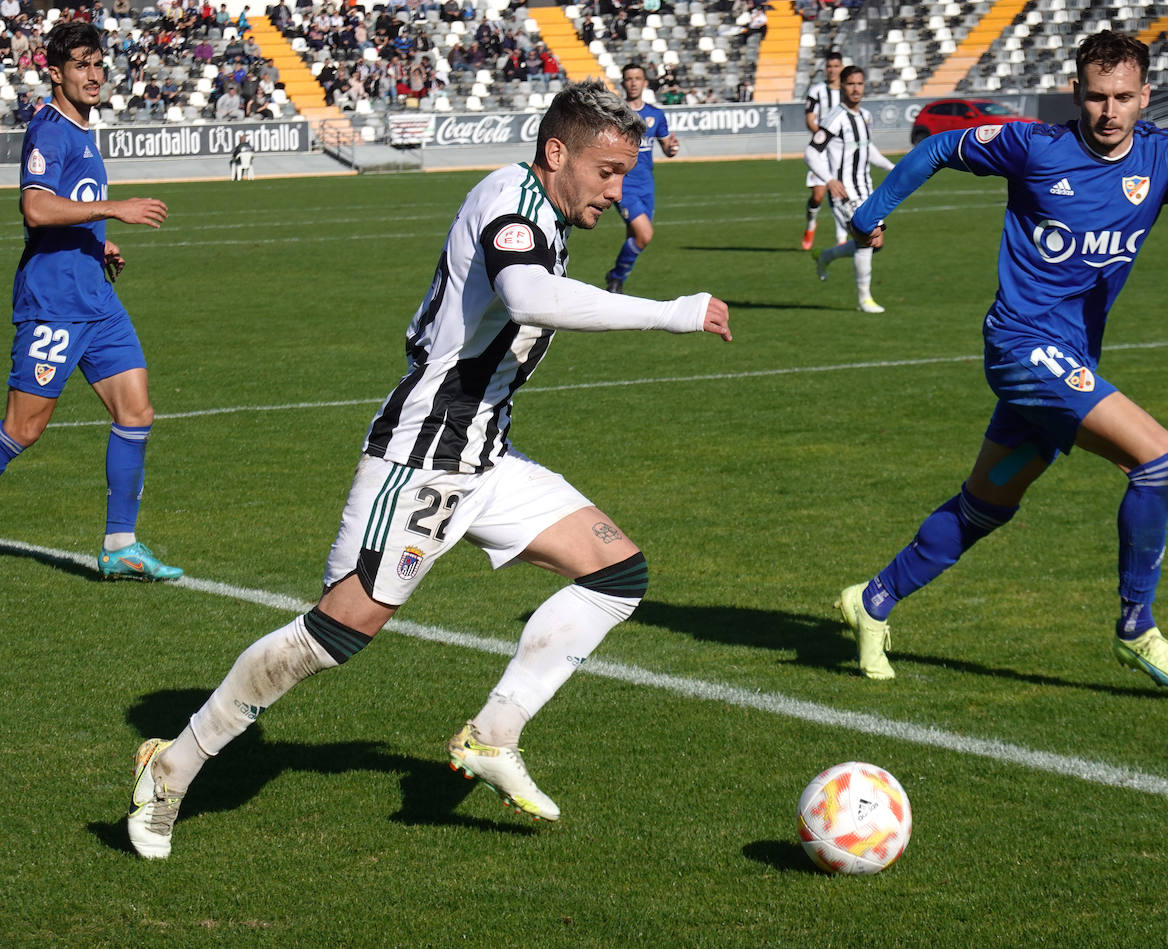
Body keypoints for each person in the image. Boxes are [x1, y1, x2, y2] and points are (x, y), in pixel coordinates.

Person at [125, 78, 733, 859]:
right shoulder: (510, 201)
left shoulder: (546, 209)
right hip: (423, 453)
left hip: (484, 452)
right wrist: (670, 311)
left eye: (625, 174)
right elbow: (526, 295)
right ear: (557, 154)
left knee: (615, 572)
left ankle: (493, 734)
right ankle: (170, 768)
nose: (618, 191)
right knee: (334, 634)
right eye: (607, 172)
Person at [833, 30, 1168, 688]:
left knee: (985, 507)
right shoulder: (1036, 147)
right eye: (1095, 97)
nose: (1109, 111)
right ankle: (1136, 627)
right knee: (1158, 458)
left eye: (1123, 97)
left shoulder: (1166, 155)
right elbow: (944, 146)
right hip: (1022, 346)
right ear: (1075, 93)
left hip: (1067, 358)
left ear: (1145, 96)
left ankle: (872, 601)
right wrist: (873, 209)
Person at [2, 22, 182, 581]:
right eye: (81, 65)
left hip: (96, 299)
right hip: (54, 302)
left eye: (98, 63)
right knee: (22, 430)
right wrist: (114, 209)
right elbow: (36, 209)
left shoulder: (82, 131)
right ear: (55, 74)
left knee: (137, 413)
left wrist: (96, 242)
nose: (95, 73)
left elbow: (66, 208)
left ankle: (121, 545)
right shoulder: (50, 131)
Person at [807, 65, 893, 314]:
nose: (856, 89)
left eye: (860, 84)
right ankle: (864, 299)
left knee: (876, 243)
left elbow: (867, 148)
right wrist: (829, 180)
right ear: (842, 87)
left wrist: (893, 167)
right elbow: (811, 152)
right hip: (845, 193)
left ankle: (826, 256)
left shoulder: (864, 115)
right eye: (850, 84)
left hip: (867, 190)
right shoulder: (836, 118)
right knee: (866, 241)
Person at [603, 62, 679, 293]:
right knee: (645, 235)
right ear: (623, 83)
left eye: (638, 78)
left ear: (645, 83)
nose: (633, 82)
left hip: (647, 185)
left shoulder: (656, 115)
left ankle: (617, 280)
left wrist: (672, 149)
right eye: (629, 78)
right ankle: (616, 278)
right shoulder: (615, 114)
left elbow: (666, 146)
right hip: (623, 184)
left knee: (634, 236)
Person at [801, 50, 844, 250]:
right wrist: (824, 137)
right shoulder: (817, 91)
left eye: (836, 66)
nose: (832, 70)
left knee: (839, 194)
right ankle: (811, 224)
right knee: (818, 195)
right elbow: (810, 119)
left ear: (841, 67)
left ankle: (841, 238)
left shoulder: (847, 91)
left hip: (842, 152)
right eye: (829, 67)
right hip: (821, 149)